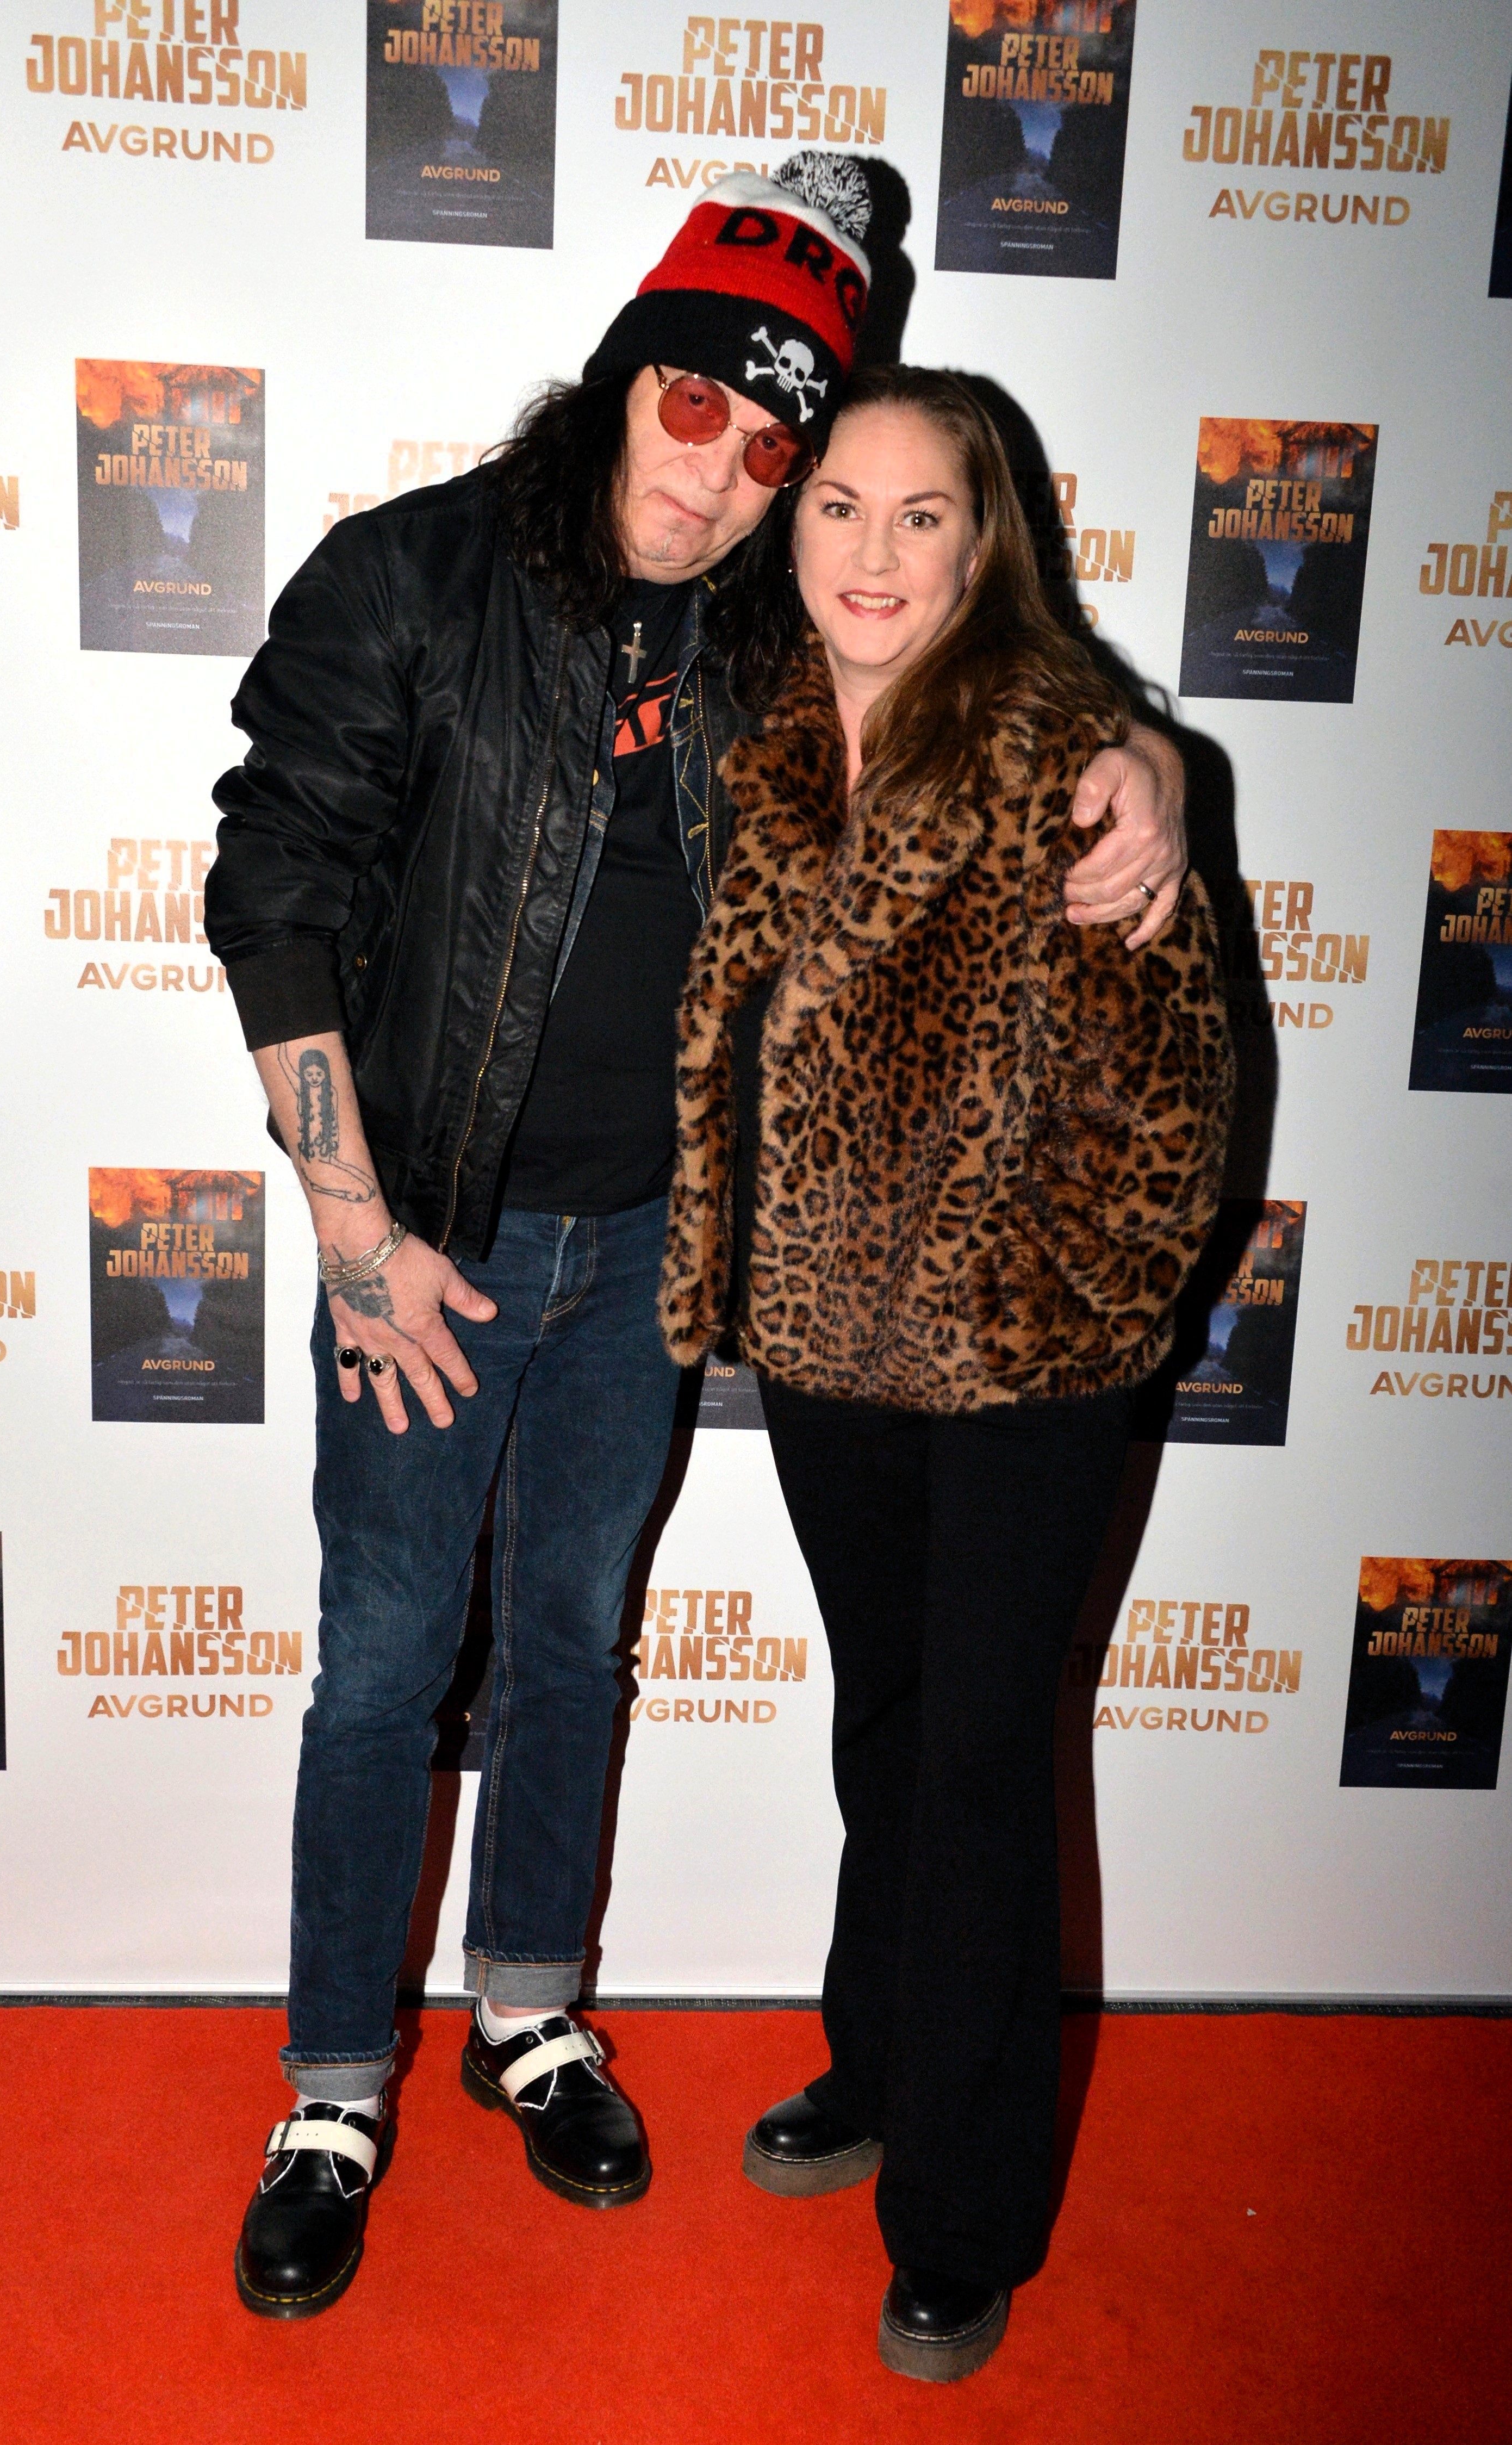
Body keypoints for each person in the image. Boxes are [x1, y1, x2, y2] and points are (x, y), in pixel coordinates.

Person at [204, 159, 1191, 2322]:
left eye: (773, 449)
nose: (721, 472)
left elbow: (983, 659)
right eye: (692, 410)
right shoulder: (410, 576)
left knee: (575, 1639)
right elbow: (273, 885)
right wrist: (355, 1230)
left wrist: (1146, 756)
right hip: (429, 1239)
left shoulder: (764, 614)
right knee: (386, 1661)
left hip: (649, 1248)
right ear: (620, 377)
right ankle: (335, 2091)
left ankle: (530, 2011)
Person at [659, 365, 1234, 2383]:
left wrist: (1047, 1305)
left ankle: (964, 2215)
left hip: (1022, 1370)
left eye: (921, 515)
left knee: (981, 1766)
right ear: (786, 527)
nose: (874, 552)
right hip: (825, 1348)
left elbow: (1177, 1100)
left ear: (987, 545)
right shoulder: (760, 746)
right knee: (890, 1730)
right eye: (838, 507)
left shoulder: (1067, 761)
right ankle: (881, 2062)